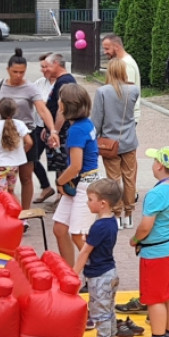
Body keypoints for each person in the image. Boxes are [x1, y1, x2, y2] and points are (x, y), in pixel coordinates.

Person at [127, 146, 169, 337]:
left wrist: (135, 239)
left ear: (160, 165)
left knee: (154, 298)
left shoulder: (155, 194)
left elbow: (145, 226)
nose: (152, 164)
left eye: (154, 161)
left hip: (157, 253)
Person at [0, 48, 58, 210]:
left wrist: (52, 130)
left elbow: (42, 109)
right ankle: (5, 210)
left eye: (22, 72)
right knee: (3, 179)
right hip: (4, 134)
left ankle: (24, 212)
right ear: (8, 70)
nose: (18, 75)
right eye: (15, 72)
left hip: (25, 134)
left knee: (26, 177)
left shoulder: (30, 88)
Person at [52, 84, 100, 266]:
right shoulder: (85, 124)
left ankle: (98, 272)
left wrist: (59, 181)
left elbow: (76, 166)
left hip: (83, 183)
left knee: (78, 234)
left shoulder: (76, 130)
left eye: (60, 99)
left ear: (66, 105)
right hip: (83, 182)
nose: (58, 102)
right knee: (60, 227)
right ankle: (70, 271)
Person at [74, 178, 122, 337]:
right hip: (110, 271)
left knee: (99, 310)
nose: (87, 203)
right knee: (108, 308)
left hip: (99, 275)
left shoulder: (99, 226)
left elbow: (85, 252)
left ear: (102, 204)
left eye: (90, 199)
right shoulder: (111, 221)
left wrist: (74, 273)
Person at [92, 57, 140, 228]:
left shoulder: (102, 92)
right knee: (129, 178)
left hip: (109, 143)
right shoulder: (133, 90)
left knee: (113, 179)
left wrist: (93, 139)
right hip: (129, 140)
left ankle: (117, 215)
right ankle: (129, 214)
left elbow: (97, 119)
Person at [0, 99, 32, 196]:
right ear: (15, 111)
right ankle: (15, 210)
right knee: (10, 192)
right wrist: (21, 152)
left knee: (1, 194)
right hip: (14, 165)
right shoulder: (19, 124)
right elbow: (29, 142)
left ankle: (5, 211)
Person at [30, 53, 55, 202]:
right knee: (31, 158)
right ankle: (46, 187)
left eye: (46, 66)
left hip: (55, 128)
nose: (44, 70)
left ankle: (62, 193)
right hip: (38, 127)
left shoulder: (61, 83)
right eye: (42, 67)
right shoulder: (39, 83)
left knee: (58, 162)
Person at [102, 34, 141, 121]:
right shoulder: (121, 62)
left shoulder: (126, 64)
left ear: (116, 46)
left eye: (107, 49)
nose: (105, 52)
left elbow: (127, 94)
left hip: (126, 116)